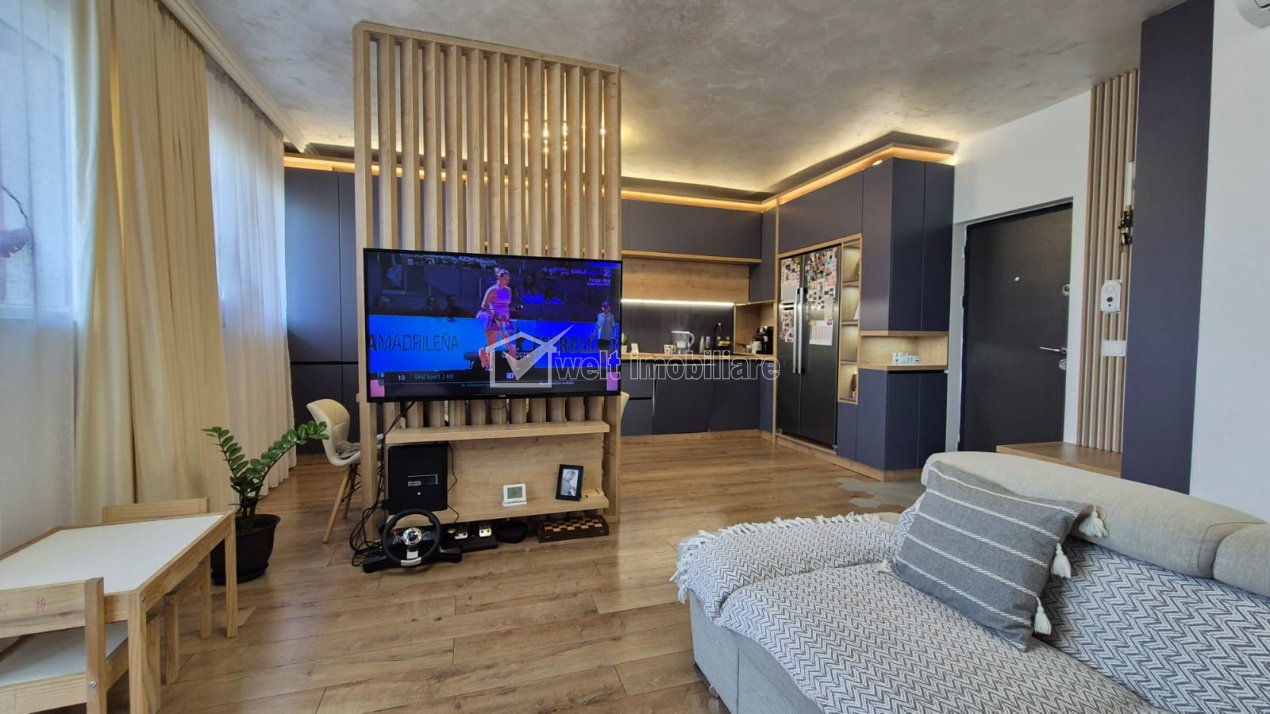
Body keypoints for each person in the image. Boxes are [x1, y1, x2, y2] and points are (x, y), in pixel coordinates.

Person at [477, 268, 518, 369]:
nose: (507, 281)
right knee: (492, 345)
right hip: (493, 320)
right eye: (505, 279)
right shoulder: (492, 290)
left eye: (508, 279)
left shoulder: (509, 290)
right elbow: (484, 306)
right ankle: (484, 355)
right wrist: (495, 316)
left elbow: (506, 306)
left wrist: (507, 317)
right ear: (499, 278)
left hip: (505, 321)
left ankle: (515, 369)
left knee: (511, 344)